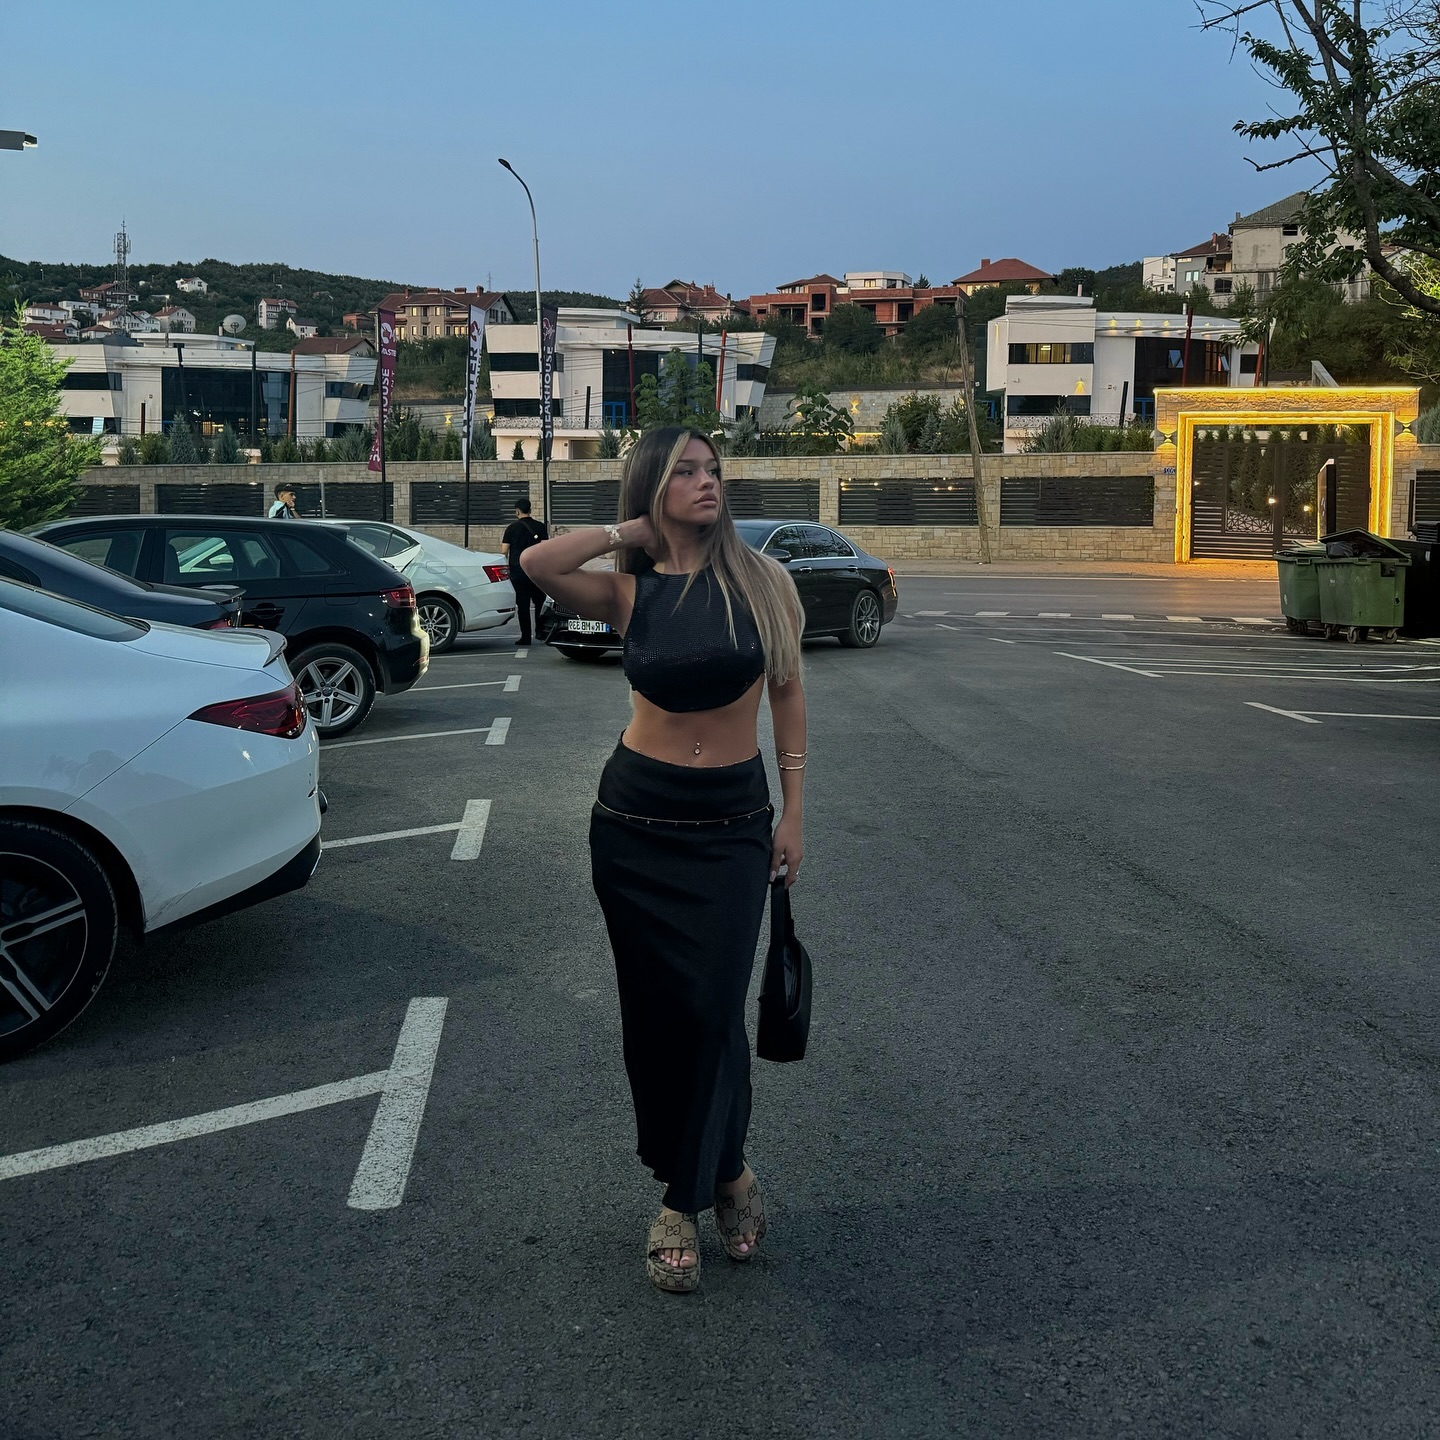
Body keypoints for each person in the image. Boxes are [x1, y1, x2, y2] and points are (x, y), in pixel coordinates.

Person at [522, 426, 807, 1294]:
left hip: (732, 825)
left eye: (713, 469)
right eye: (684, 471)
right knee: (657, 1018)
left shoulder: (764, 581)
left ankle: (682, 1201)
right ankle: (731, 1174)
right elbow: (536, 564)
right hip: (635, 826)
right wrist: (628, 533)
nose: (707, 481)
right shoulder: (629, 590)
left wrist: (795, 811)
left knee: (714, 1010)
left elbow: (788, 692)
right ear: (652, 487)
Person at [501, 497, 549, 644]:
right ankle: (540, 632)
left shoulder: (511, 528)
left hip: (518, 571)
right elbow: (546, 548)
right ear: (530, 510)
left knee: (523, 606)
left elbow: (504, 551)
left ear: (517, 511)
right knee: (540, 603)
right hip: (537, 570)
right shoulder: (540, 527)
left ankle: (526, 637)